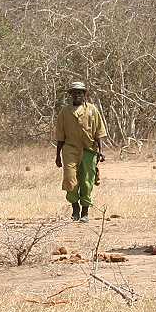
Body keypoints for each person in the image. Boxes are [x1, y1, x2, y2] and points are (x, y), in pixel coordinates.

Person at [54, 81, 107, 222]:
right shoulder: (65, 112)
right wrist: (58, 156)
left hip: (89, 150)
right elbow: (60, 136)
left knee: (87, 181)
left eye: (80, 92)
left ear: (85, 94)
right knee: (70, 179)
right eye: (75, 92)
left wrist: (101, 151)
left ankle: (85, 211)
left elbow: (99, 132)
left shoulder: (92, 110)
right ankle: (75, 209)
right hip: (70, 149)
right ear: (71, 95)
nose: (77, 95)